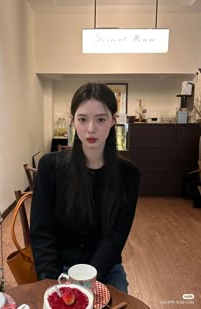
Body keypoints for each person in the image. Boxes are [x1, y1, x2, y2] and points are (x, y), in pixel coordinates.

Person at [30, 82, 141, 293]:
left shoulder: (129, 174)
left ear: (112, 121)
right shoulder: (49, 166)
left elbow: (117, 235)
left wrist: (89, 278)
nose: (91, 128)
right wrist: (50, 281)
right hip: (58, 267)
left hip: (105, 268)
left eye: (100, 119)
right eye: (83, 119)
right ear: (73, 122)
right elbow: (41, 231)